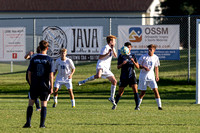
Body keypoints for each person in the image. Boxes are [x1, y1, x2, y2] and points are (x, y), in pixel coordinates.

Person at [78, 35, 118, 106]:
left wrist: (112, 50)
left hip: (106, 68)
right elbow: (100, 57)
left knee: (114, 81)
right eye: (114, 41)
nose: (115, 42)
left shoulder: (112, 48)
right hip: (101, 65)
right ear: (111, 41)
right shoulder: (105, 47)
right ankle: (83, 81)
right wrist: (107, 53)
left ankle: (111, 97)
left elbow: (115, 56)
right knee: (98, 76)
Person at [23, 40, 54, 128]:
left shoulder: (34, 58)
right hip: (44, 85)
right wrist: (51, 86)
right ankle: (42, 125)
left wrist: (31, 83)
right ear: (47, 48)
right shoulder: (49, 59)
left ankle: (28, 123)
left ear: (39, 48)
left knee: (30, 104)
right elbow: (51, 75)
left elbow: (29, 72)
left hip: (34, 85)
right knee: (44, 104)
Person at [112, 42, 140, 110]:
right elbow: (118, 67)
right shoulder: (121, 56)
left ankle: (137, 106)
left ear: (131, 48)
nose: (128, 48)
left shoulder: (133, 55)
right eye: (127, 47)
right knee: (120, 92)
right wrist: (122, 64)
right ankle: (115, 104)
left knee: (135, 90)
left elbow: (138, 67)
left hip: (132, 75)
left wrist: (133, 62)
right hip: (124, 76)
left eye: (129, 47)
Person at [137, 44, 162, 110]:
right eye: (149, 49)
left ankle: (159, 106)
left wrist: (157, 76)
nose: (149, 50)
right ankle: (137, 106)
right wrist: (144, 67)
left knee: (156, 90)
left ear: (154, 50)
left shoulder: (155, 57)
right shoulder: (144, 57)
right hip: (143, 77)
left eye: (151, 49)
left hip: (151, 77)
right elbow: (138, 65)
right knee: (143, 92)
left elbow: (156, 67)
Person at [24, 46, 41, 111]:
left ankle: (31, 94)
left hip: (35, 75)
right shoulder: (35, 56)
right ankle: (38, 107)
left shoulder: (40, 56)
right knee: (35, 90)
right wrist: (29, 54)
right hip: (32, 74)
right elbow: (26, 57)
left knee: (35, 90)